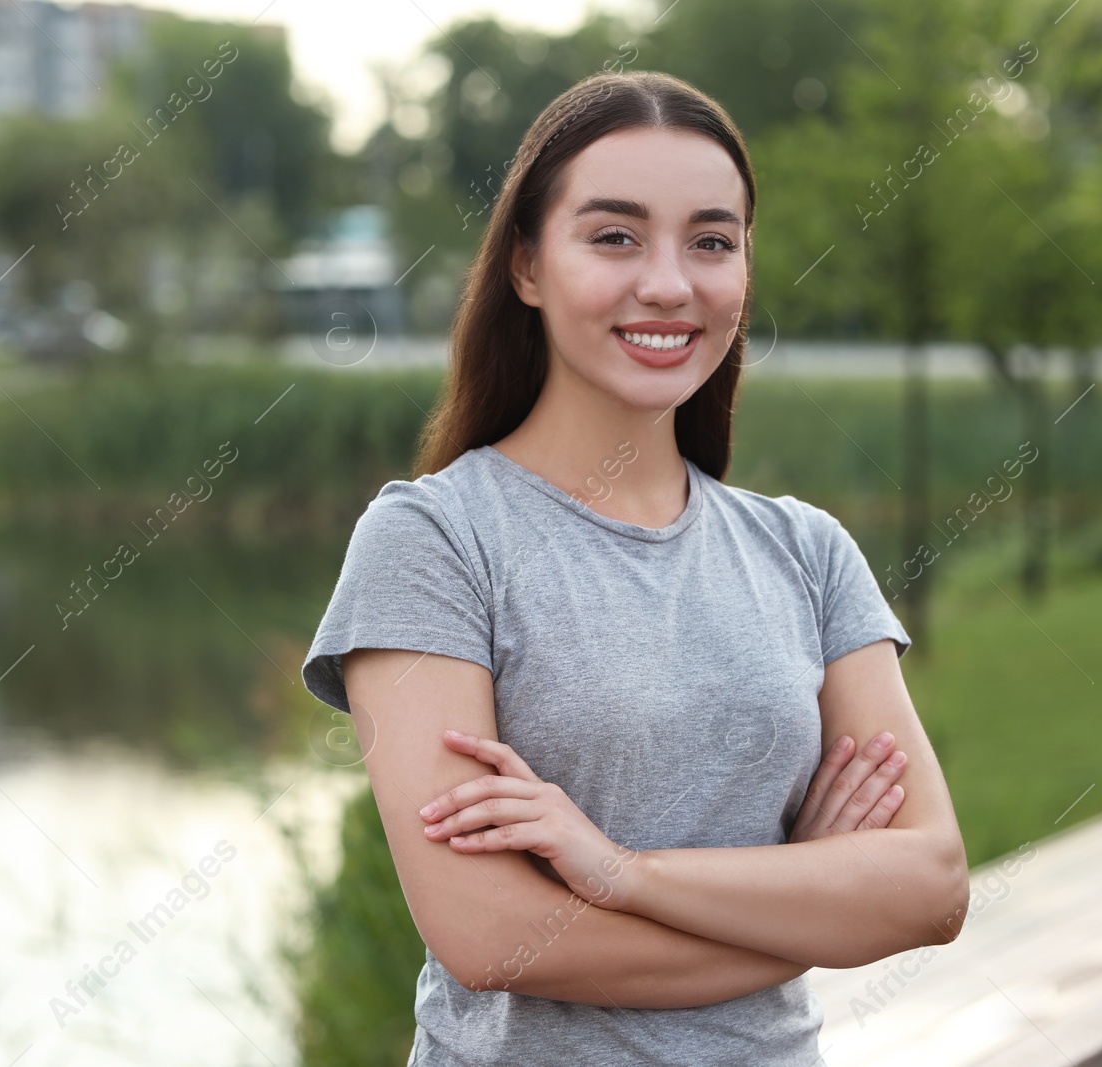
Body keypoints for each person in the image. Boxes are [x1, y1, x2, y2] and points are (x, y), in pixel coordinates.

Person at [300, 69, 969, 1066]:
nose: (668, 282)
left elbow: (930, 885)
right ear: (527, 265)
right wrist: (806, 896)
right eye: (614, 236)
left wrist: (619, 873)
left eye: (711, 240)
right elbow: (487, 932)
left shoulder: (807, 553)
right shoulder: (433, 542)